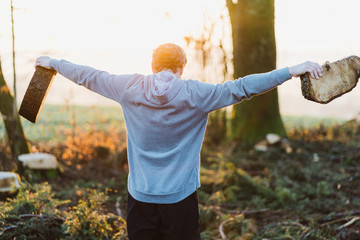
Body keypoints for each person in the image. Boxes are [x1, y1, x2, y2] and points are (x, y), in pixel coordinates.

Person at [35, 43, 323, 240]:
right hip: (180, 202)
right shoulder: (196, 95)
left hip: (140, 199)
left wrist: (53, 63)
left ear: (152, 65)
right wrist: (290, 71)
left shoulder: (128, 87)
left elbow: (89, 76)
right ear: (182, 67)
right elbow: (243, 87)